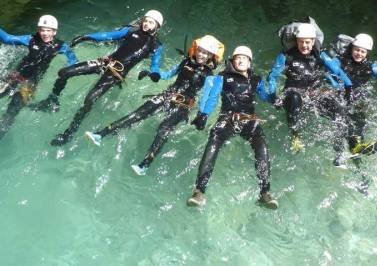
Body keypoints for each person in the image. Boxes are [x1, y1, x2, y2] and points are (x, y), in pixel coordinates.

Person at [84, 35, 224, 175]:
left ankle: (145, 164)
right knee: (137, 114)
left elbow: (208, 97)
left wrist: (203, 115)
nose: (201, 54)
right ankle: (101, 134)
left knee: (163, 128)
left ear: (211, 55)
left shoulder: (209, 75)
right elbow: (169, 74)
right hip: (167, 95)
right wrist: (153, 74)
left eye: (205, 53)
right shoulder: (186, 62)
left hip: (183, 105)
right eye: (200, 50)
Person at [45, 10, 165, 146]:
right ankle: (52, 100)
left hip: (115, 75)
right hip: (105, 63)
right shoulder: (131, 31)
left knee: (89, 100)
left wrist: (154, 73)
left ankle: (68, 134)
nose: (146, 24)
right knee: (63, 72)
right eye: (146, 20)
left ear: (157, 26)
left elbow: (156, 64)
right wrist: (86, 37)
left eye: (151, 22)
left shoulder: (157, 46)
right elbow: (108, 35)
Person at [187, 46, 278, 209]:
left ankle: (265, 192)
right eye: (238, 58)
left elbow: (267, 97)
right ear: (232, 61)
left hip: (250, 120)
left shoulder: (256, 79)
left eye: (245, 58)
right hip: (227, 118)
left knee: (262, 147)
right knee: (213, 143)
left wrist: (274, 89)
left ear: (250, 62)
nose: (241, 60)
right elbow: (213, 97)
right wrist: (204, 114)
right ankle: (199, 191)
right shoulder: (223, 77)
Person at [268, 23, 352, 165]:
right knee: (294, 97)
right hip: (293, 93)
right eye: (301, 42)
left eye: (308, 42)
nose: (304, 45)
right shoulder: (286, 56)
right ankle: (295, 135)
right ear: (296, 41)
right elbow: (273, 77)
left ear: (313, 41)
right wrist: (273, 96)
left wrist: (348, 87)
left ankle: (339, 151)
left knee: (339, 111)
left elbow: (338, 72)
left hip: (314, 93)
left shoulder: (321, 55)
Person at [0, 15, 77, 139]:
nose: (45, 33)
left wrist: (67, 69)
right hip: (17, 75)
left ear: (54, 31)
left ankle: (2, 132)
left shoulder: (61, 46)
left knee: (14, 108)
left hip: (31, 83)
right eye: (42, 30)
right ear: (38, 30)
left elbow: (73, 61)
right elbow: (8, 38)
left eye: (48, 30)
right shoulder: (30, 39)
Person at [327, 33, 377, 162]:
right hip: (340, 94)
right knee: (342, 123)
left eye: (362, 51)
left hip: (357, 96)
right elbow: (329, 72)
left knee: (361, 120)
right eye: (356, 50)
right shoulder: (340, 60)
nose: (359, 53)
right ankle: (339, 154)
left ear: (367, 53)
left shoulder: (372, 65)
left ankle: (358, 147)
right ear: (351, 49)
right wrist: (335, 86)